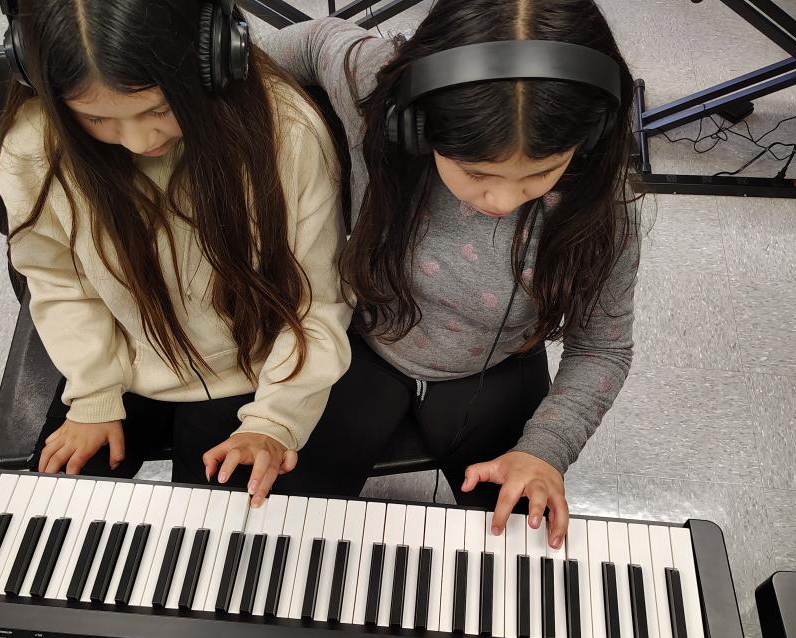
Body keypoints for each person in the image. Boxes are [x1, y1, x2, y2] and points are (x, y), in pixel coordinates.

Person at [264, 0, 640, 545]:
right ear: (415, 124)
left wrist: (545, 450)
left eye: (541, 173)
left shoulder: (607, 205)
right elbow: (318, 40)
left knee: (518, 537)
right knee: (282, 523)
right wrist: (210, 76)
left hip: (499, 365)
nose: (503, 200)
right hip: (360, 344)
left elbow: (602, 348)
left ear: (594, 135)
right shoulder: (377, 90)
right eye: (476, 173)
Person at [0, 0, 350, 507]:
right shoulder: (36, 145)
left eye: (160, 109)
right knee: (52, 513)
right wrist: (93, 393)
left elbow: (316, 302)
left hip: (256, 367)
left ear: (214, 58)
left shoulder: (287, 131)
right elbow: (60, 282)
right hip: (121, 360)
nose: (138, 140)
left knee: (220, 531)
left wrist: (274, 421)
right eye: (96, 117)